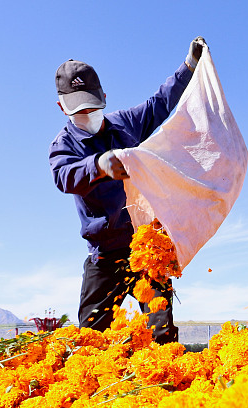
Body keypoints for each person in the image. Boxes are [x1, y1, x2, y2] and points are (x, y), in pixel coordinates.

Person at [49, 37, 205, 344]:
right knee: (92, 342)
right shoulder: (63, 145)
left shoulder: (126, 125)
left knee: (161, 334)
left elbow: (161, 103)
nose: (88, 115)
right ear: (62, 107)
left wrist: (189, 66)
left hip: (147, 250)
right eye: (79, 111)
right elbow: (63, 176)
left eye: (92, 107)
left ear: (103, 97)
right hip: (105, 257)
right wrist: (99, 165)